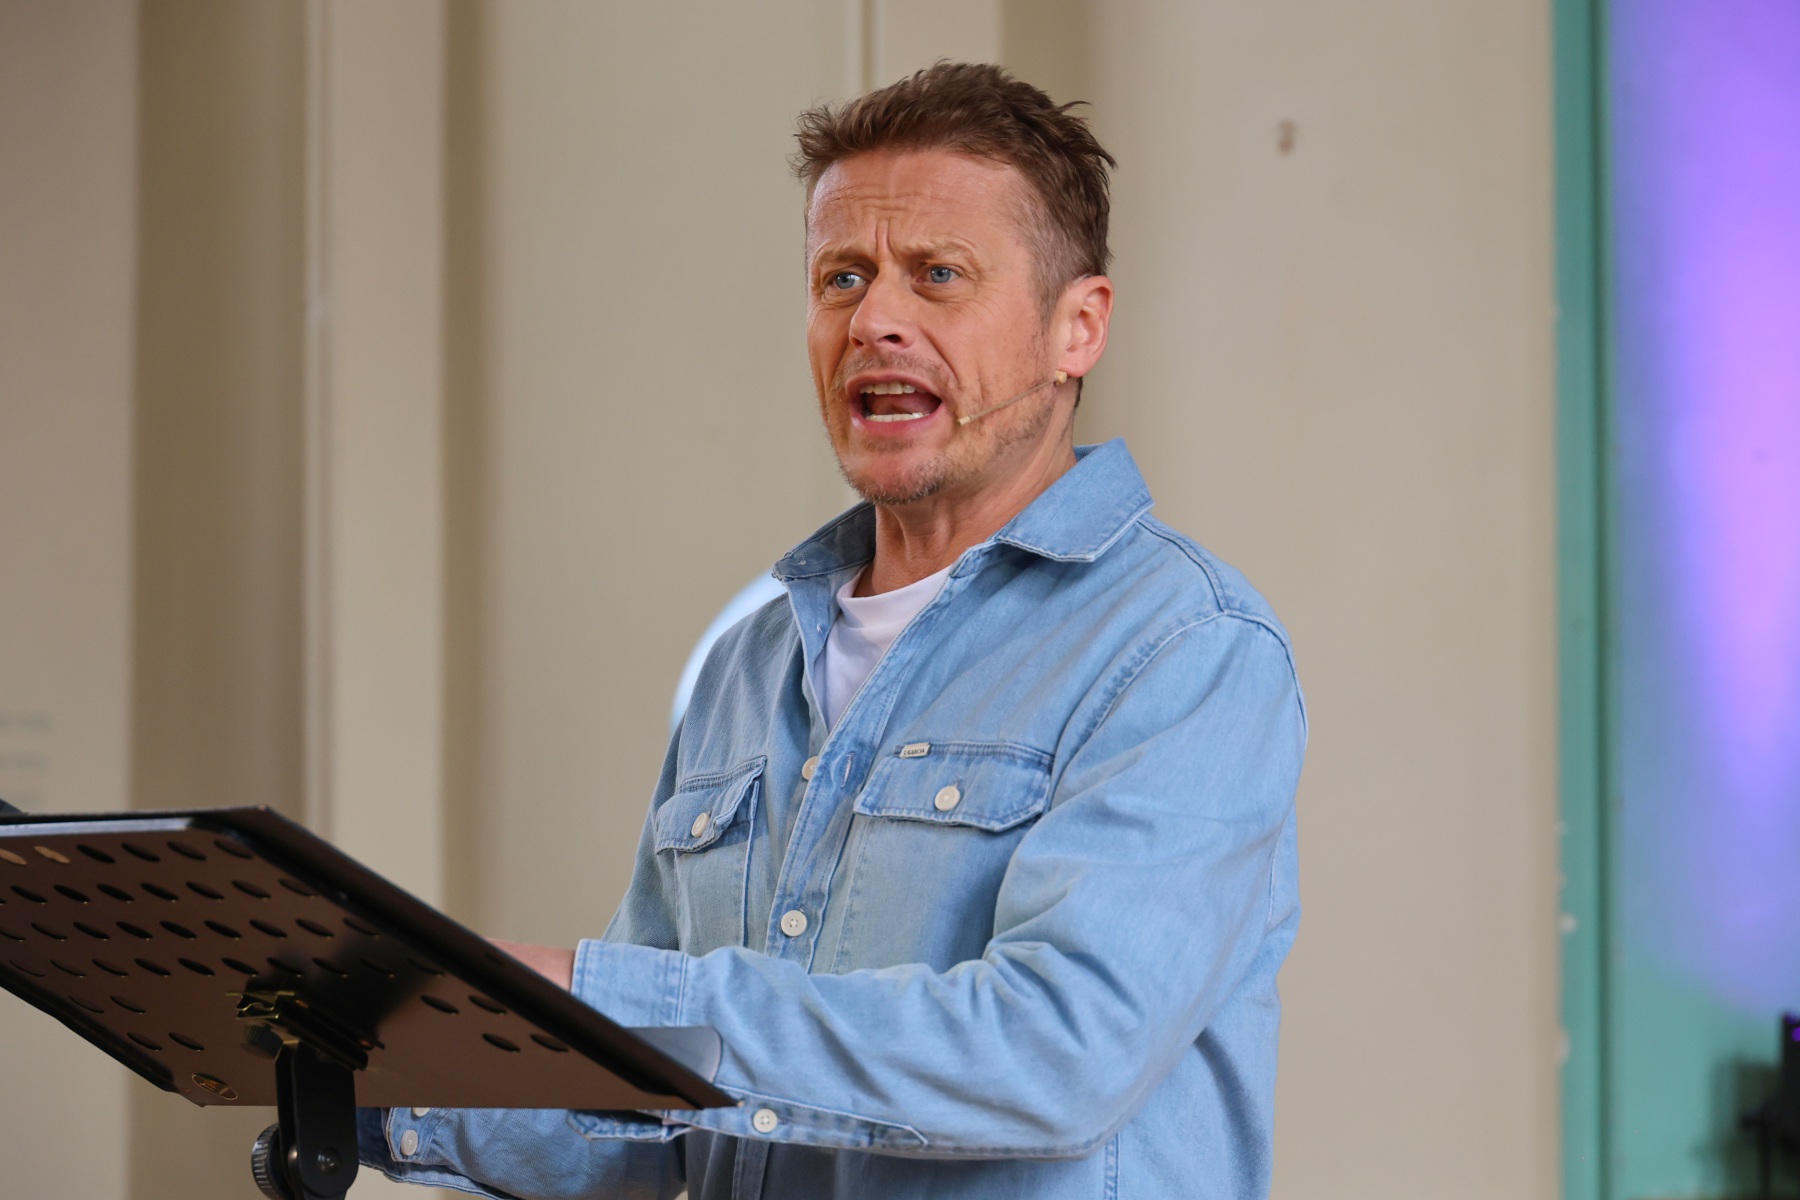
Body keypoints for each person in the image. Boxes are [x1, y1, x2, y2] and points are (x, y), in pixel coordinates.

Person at [361, 62, 1305, 1200]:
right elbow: (650, 1116)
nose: (874, 320)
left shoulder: (1187, 648)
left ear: (1078, 327)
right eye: (841, 277)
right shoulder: (748, 666)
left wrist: (594, 995)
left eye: (938, 275)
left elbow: (1058, 1053)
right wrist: (380, 1062)